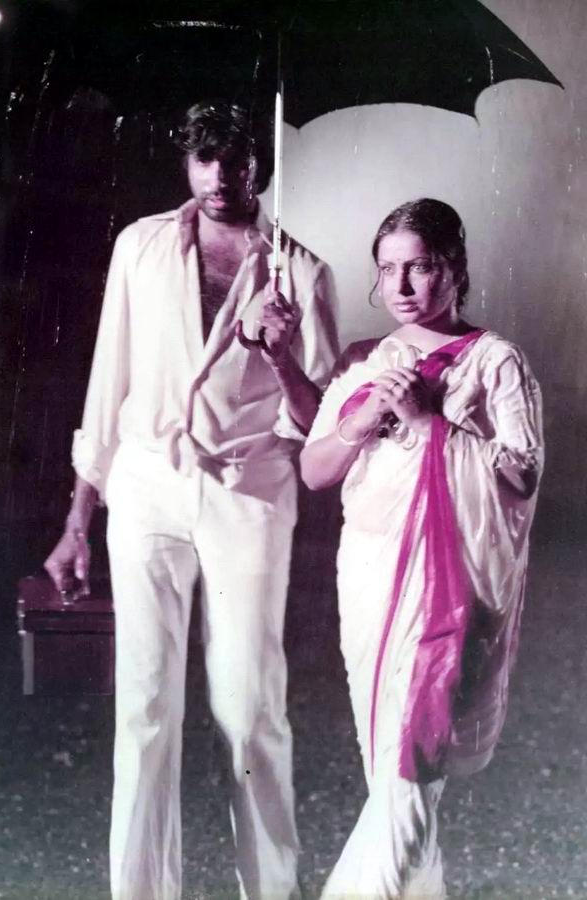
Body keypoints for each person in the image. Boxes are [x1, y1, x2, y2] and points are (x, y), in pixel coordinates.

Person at [44, 100, 339, 900]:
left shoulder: (301, 274)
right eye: (205, 157)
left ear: (259, 164)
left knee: (249, 711)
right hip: (147, 486)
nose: (220, 175)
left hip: (249, 492)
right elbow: (108, 386)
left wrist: (279, 350)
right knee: (143, 710)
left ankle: (271, 892)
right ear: (187, 161)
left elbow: (317, 425)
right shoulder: (140, 246)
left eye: (236, 158)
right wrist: (77, 522)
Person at [301, 199, 543, 899]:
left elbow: (523, 472)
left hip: (452, 583)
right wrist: (369, 415)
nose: (402, 285)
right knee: (391, 769)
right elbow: (314, 470)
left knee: (411, 764)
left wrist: (429, 422)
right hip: (371, 576)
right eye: (388, 270)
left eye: (421, 266)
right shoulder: (364, 361)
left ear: (455, 269)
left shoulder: (495, 360)